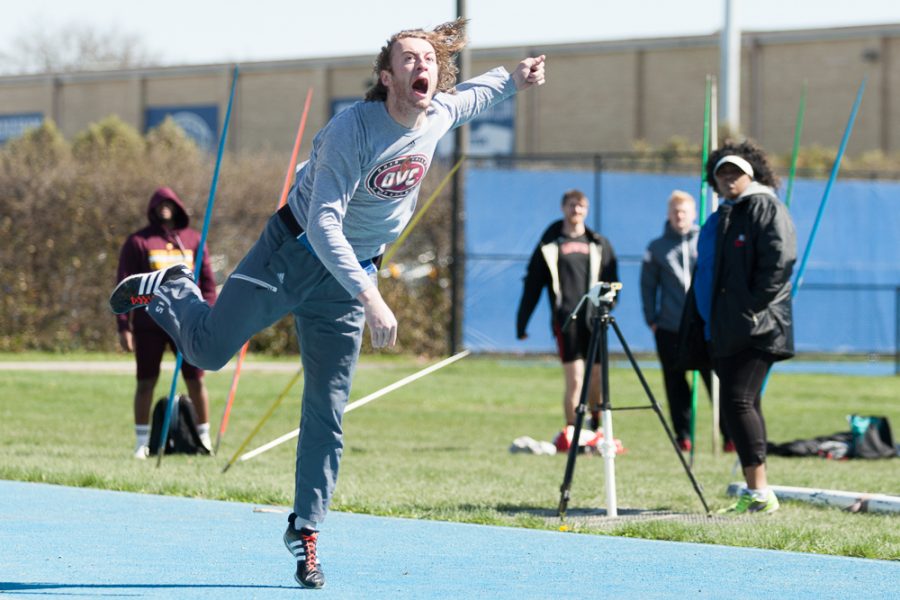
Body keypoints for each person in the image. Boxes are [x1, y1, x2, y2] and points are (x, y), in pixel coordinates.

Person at [109, 18, 546, 589]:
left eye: (428, 60)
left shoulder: (437, 112)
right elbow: (323, 223)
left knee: (327, 409)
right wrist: (371, 296)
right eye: (408, 59)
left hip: (348, 274)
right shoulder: (353, 131)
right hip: (291, 251)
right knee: (210, 352)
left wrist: (514, 76)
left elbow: (473, 96)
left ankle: (306, 530)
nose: (422, 67)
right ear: (386, 76)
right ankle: (170, 290)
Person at [679, 140, 796, 515]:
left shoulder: (763, 206)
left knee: (737, 401)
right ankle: (757, 490)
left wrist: (749, 309)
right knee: (743, 402)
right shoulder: (720, 216)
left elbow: (779, 261)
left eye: (736, 171)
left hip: (755, 326)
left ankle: (759, 492)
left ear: (753, 174)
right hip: (721, 328)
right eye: (721, 172)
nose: (729, 177)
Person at [115, 187, 216, 459]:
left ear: (179, 206)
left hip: (186, 320)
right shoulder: (139, 241)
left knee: (195, 379)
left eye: (169, 202)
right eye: (159, 203)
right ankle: (141, 443)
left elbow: (207, 282)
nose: (164, 207)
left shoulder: (194, 239)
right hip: (149, 324)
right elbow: (124, 286)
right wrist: (124, 326)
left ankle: (203, 437)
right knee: (146, 381)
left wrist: (210, 315)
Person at [516, 189, 618, 450]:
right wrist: (522, 322)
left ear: (587, 209)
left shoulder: (598, 243)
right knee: (575, 379)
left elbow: (612, 280)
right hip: (566, 320)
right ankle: (573, 434)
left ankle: (598, 429)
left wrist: (608, 304)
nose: (576, 210)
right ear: (563, 208)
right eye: (572, 205)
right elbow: (533, 284)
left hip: (594, 320)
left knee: (597, 378)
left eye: (581, 205)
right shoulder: (550, 244)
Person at [640, 190, 730, 453]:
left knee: (716, 379)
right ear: (668, 215)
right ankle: (683, 436)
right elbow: (647, 286)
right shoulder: (656, 248)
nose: (680, 216)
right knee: (675, 382)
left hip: (704, 324)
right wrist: (652, 319)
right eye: (675, 211)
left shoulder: (707, 239)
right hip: (670, 326)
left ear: (693, 214)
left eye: (684, 211)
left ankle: (730, 435)